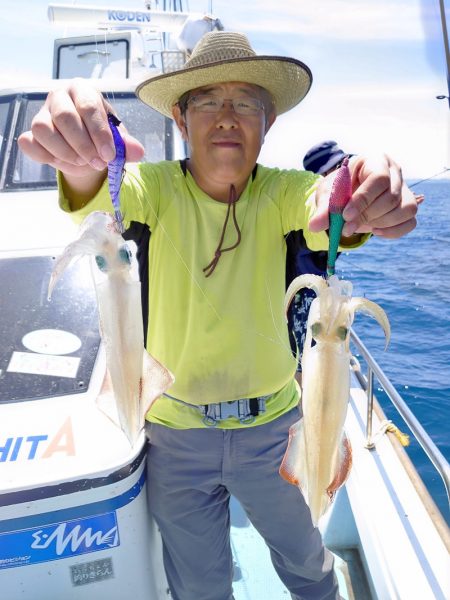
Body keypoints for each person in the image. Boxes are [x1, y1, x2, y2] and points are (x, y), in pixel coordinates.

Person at [19, 31, 418, 600]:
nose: (227, 116)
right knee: (200, 588)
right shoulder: (151, 188)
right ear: (181, 120)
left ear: (268, 122)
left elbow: (325, 203)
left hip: (277, 433)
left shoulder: (283, 191)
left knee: (309, 568)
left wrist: (361, 188)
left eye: (246, 102)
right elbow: (97, 182)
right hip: (175, 437)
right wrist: (81, 150)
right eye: (208, 100)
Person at [286, 140, 353, 385]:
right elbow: (319, 235)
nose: (343, 171)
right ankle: (304, 413)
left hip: (318, 293)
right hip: (302, 296)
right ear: (323, 176)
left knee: (319, 354)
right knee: (304, 357)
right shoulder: (307, 212)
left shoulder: (335, 210)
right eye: (336, 168)